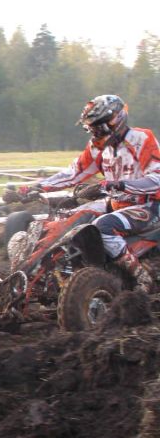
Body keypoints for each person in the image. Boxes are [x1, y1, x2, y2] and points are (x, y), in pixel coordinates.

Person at [26, 95, 160, 292]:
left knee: (102, 226)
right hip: (114, 202)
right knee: (67, 218)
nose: (95, 133)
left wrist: (119, 185)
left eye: (98, 128)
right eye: (91, 129)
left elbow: (157, 179)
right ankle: (55, 272)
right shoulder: (98, 148)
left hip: (147, 206)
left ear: (114, 121)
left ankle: (141, 277)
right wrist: (37, 187)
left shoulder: (142, 139)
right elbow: (73, 173)